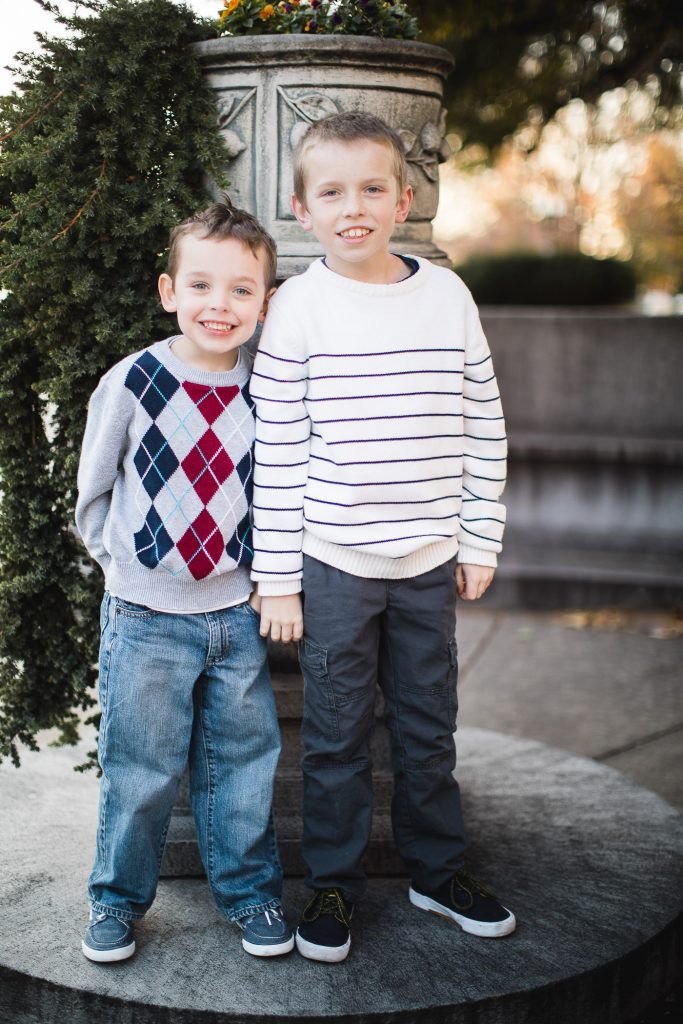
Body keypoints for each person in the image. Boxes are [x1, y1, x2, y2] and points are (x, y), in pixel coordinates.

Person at [250, 112, 516, 963]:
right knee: (333, 734)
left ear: (404, 199)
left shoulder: (446, 294)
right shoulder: (296, 308)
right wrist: (280, 579)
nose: (352, 206)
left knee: (426, 725)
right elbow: (279, 452)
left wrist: (478, 541)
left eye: (371, 188)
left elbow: (484, 421)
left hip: (430, 560)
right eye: (332, 192)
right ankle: (332, 882)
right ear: (302, 209)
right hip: (332, 564)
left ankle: (438, 873)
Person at [75, 198, 294, 962]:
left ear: (265, 303)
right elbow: (93, 490)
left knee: (242, 765)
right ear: (170, 292)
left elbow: (274, 494)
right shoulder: (135, 381)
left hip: (234, 615)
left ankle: (251, 895)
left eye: (240, 290)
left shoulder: (266, 389)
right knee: (139, 768)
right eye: (201, 286)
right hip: (143, 617)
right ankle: (115, 902)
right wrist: (120, 568)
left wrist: (269, 579)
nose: (219, 305)